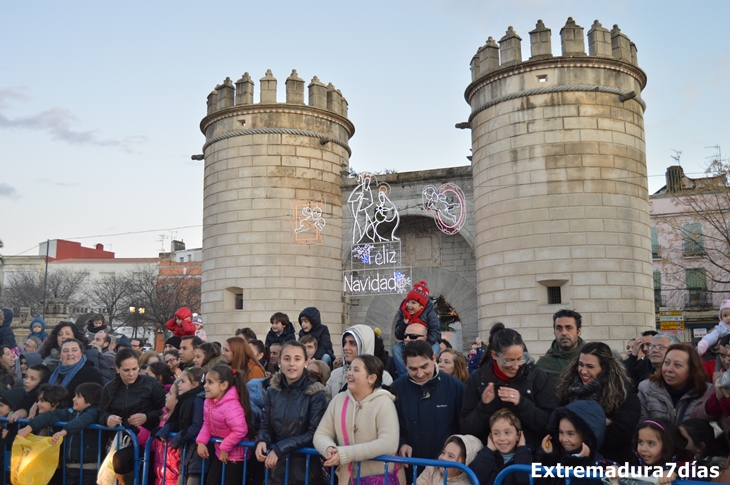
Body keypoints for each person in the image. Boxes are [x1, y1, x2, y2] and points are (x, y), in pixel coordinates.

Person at [459, 322, 558, 449]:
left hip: (529, 455)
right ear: (494, 355)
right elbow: (466, 428)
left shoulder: (536, 376)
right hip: (489, 457)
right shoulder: (478, 379)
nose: (516, 366)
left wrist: (522, 403)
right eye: (509, 361)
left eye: (520, 359)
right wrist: (484, 407)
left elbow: (551, 423)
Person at [314, 355, 400, 485]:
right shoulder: (338, 400)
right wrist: (329, 449)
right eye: (350, 369)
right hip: (346, 479)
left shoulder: (384, 402)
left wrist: (346, 454)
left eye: (356, 370)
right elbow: (321, 434)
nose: (349, 373)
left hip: (380, 478)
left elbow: (389, 443)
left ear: (371, 378)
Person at [255, 341, 329, 485]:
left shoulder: (316, 394)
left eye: (297, 359)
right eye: (287, 358)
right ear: (280, 362)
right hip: (276, 471)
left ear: (305, 362)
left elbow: (313, 433)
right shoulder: (272, 391)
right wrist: (262, 440)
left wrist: (280, 448)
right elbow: (266, 425)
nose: (291, 364)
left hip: (305, 472)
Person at [554, 341, 641, 462]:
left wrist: (579, 431)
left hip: (611, 463)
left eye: (590, 366)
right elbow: (558, 421)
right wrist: (598, 424)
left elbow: (622, 432)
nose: (583, 371)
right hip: (572, 460)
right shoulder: (569, 389)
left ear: (604, 368)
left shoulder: (624, 393)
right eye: (580, 364)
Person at [393, 340, 465, 468]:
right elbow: (391, 426)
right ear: (404, 364)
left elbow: (464, 426)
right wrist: (401, 443)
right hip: (410, 467)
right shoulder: (396, 389)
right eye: (413, 369)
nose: (420, 374)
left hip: (446, 468)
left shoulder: (455, 387)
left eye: (424, 366)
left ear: (433, 358)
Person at [100, 347, 167, 485]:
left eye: (135, 369)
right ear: (117, 368)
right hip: (117, 441)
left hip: (146, 440)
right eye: (126, 370)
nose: (131, 374)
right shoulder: (108, 387)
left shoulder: (151, 383)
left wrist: (147, 417)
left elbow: (166, 410)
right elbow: (100, 413)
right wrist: (107, 419)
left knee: (125, 462)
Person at [35, 382, 103, 485]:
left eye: (78, 396)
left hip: (87, 469)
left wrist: (64, 431)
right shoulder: (72, 413)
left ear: (90, 400)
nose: (74, 399)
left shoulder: (94, 412)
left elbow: (83, 420)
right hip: (70, 467)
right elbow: (52, 415)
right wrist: (29, 426)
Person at [196, 365, 253, 485]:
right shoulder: (209, 402)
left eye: (210, 382)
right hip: (221, 453)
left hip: (236, 456)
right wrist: (201, 442)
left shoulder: (231, 406)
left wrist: (224, 447)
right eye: (205, 381)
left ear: (223, 386)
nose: (205, 386)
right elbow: (207, 424)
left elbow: (241, 430)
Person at [638, 344, 712, 424]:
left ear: (692, 371)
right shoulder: (646, 388)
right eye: (666, 363)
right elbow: (642, 426)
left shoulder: (708, 392)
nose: (669, 369)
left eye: (677, 365)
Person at [536, 400, 606, 485]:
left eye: (570, 434)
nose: (564, 439)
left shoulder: (598, 463)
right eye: (561, 432)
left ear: (586, 436)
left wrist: (579, 464)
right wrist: (547, 459)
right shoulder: (557, 455)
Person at [157, 367, 206, 485]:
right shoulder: (185, 400)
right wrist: (165, 430)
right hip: (187, 457)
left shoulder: (198, 400)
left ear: (195, 384)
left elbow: (196, 425)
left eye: (183, 381)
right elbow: (178, 422)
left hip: (197, 457)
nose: (179, 384)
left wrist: (177, 439)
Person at [392, 281, 441, 379]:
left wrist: (425, 345)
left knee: (435, 349)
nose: (409, 305)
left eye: (413, 303)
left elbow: (435, 330)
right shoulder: (403, 311)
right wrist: (404, 323)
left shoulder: (429, 311)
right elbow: (398, 334)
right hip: (408, 342)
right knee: (396, 349)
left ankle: (433, 375)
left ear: (421, 306)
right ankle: (404, 377)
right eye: (408, 302)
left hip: (428, 341)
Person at [468, 408, 531, 485]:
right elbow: (474, 478)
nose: (502, 438)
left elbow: (524, 480)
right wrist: (489, 450)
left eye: (507, 432)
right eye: (496, 433)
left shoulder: (529, 455)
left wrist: (522, 449)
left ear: (518, 435)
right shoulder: (486, 456)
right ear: (490, 436)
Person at [327, 324, 393, 397]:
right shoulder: (335, 374)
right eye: (345, 342)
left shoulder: (384, 377)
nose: (345, 347)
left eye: (352, 343)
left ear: (365, 346)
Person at [39, 321, 113, 381]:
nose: (63, 336)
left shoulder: (91, 354)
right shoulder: (48, 358)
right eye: (60, 334)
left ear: (75, 336)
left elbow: (102, 380)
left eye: (67, 334)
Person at [631, 419, 692, 483]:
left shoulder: (686, 466)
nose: (643, 449)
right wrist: (619, 469)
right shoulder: (638, 465)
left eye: (651, 443)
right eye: (640, 442)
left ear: (667, 445)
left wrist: (676, 473)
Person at [536, 309, 585, 388]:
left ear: (578, 331)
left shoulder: (593, 358)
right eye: (559, 328)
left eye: (569, 328)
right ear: (554, 331)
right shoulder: (543, 364)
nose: (564, 333)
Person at [417, 434, 483, 485]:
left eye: (450, 456)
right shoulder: (432, 469)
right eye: (443, 452)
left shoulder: (464, 483)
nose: (443, 458)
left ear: (464, 463)